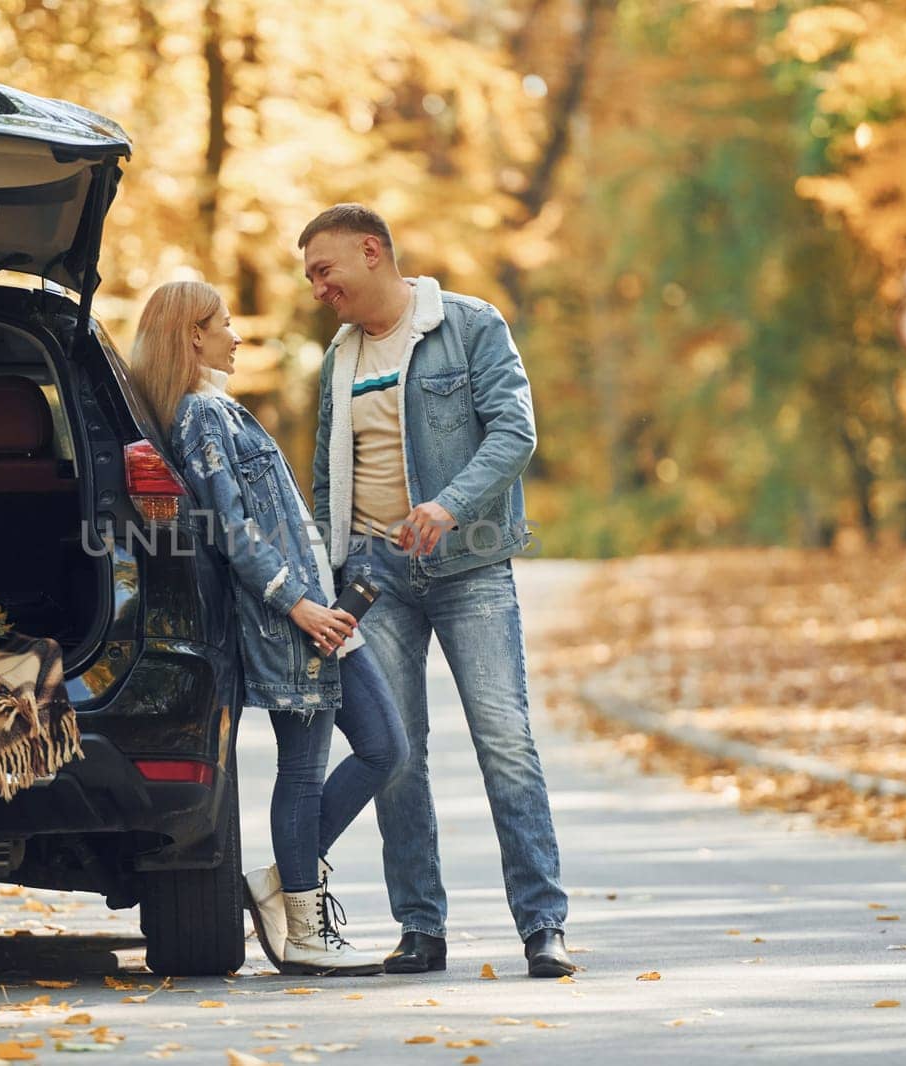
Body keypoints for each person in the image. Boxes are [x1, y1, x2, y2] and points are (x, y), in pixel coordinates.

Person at [299, 204, 576, 978]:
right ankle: (419, 925)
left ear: (372, 251)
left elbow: (514, 433)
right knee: (397, 756)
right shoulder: (340, 358)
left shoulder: (469, 324)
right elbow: (327, 476)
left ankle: (543, 925)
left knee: (505, 742)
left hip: (469, 567)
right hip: (376, 578)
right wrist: (335, 574)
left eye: (326, 269)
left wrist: (449, 504)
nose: (319, 286)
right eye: (311, 276)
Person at [127, 280, 408, 977]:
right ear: (193, 335)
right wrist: (297, 605)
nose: (236, 332)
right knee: (308, 770)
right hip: (293, 618)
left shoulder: (221, 409)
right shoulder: (198, 418)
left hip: (321, 608)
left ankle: (283, 882)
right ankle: (305, 926)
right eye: (223, 323)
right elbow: (231, 529)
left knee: (384, 746)